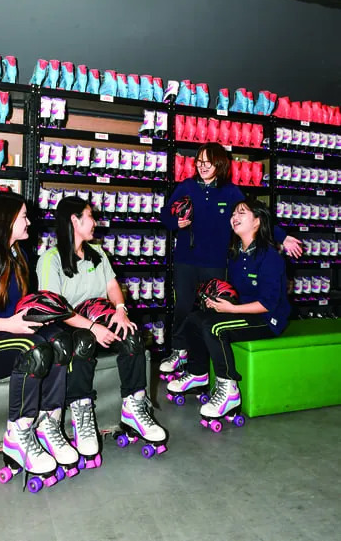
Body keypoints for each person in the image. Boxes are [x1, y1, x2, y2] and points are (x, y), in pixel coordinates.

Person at [0, 191, 87, 480]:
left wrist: (43, 315)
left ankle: (49, 423)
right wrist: (9, 324)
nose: (29, 222)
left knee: (60, 341)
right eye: (24, 217)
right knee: (33, 351)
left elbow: (18, 310)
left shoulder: (17, 255)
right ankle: (18, 434)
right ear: (7, 221)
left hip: (1, 335)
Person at [36, 196, 167, 465]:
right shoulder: (50, 259)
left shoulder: (97, 253)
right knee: (83, 341)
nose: (95, 222)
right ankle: (82, 412)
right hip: (68, 324)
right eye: (90, 216)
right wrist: (93, 328)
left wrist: (120, 309)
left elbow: (112, 286)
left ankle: (134, 406)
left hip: (98, 316)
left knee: (132, 334)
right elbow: (55, 308)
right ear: (74, 221)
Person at [159, 142, 301, 377]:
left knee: (212, 309)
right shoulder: (186, 186)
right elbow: (165, 213)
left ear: (220, 164)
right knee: (182, 306)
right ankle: (179, 350)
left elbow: (255, 217)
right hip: (186, 260)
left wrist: (283, 237)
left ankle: (206, 358)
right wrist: (176, 222)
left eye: (208, 162)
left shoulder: (231, 192)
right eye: (199, 162)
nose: (203, 166)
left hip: (216, 262)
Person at [166, 198, 290, 418]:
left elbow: (267, 304)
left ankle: (229, 389)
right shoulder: (236, 253)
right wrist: (216, 301)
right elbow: (234, 292)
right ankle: (198, 373)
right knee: (194, 318)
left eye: (242, 213)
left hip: (267, 319)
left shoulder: (270, 256)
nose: (234, 217)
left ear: (257, 222)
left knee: (214, 328)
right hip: (242, 311)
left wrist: (231, 310)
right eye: (233, 213)